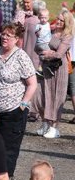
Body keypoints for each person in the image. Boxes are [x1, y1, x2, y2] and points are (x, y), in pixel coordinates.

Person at [0, 23, 37, 179]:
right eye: (3, 34)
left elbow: (32, 83)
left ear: (17, 39)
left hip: (13, 111)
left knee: (8, 150)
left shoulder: (21, 57)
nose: (4, 37)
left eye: (8, 35)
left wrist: (23, 104)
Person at [34, 10, 74, 138]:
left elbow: (59, 54)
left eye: (62, 20)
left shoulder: (67, 35)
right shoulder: (50, 31)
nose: (59, 22)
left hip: (59, 68)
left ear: (66, 22)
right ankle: (45, 122)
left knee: (57, 97)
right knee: (42, 95)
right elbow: (39, 46)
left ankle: (54, 127)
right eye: (58, 19)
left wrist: (47, 53)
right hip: (46, 67)